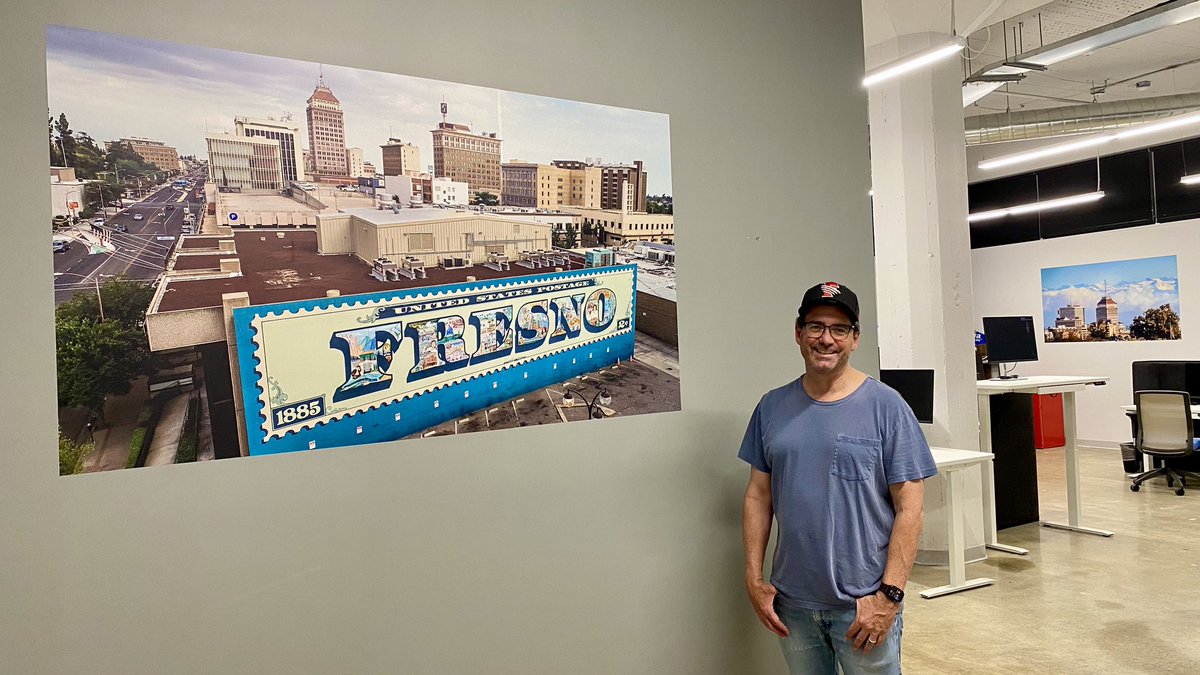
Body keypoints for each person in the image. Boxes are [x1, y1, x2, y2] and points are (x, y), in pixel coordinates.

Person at [739, 281, 937, 674]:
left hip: (864, 605)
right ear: (798, 333)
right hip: (792, 604)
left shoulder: (887, 407)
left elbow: (910, 507)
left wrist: (889, 597)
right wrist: (754, 577)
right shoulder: (771, 407)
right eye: (815, 327)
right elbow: (758, 497)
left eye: (839, 329)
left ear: (855, 338)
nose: (825, 339)